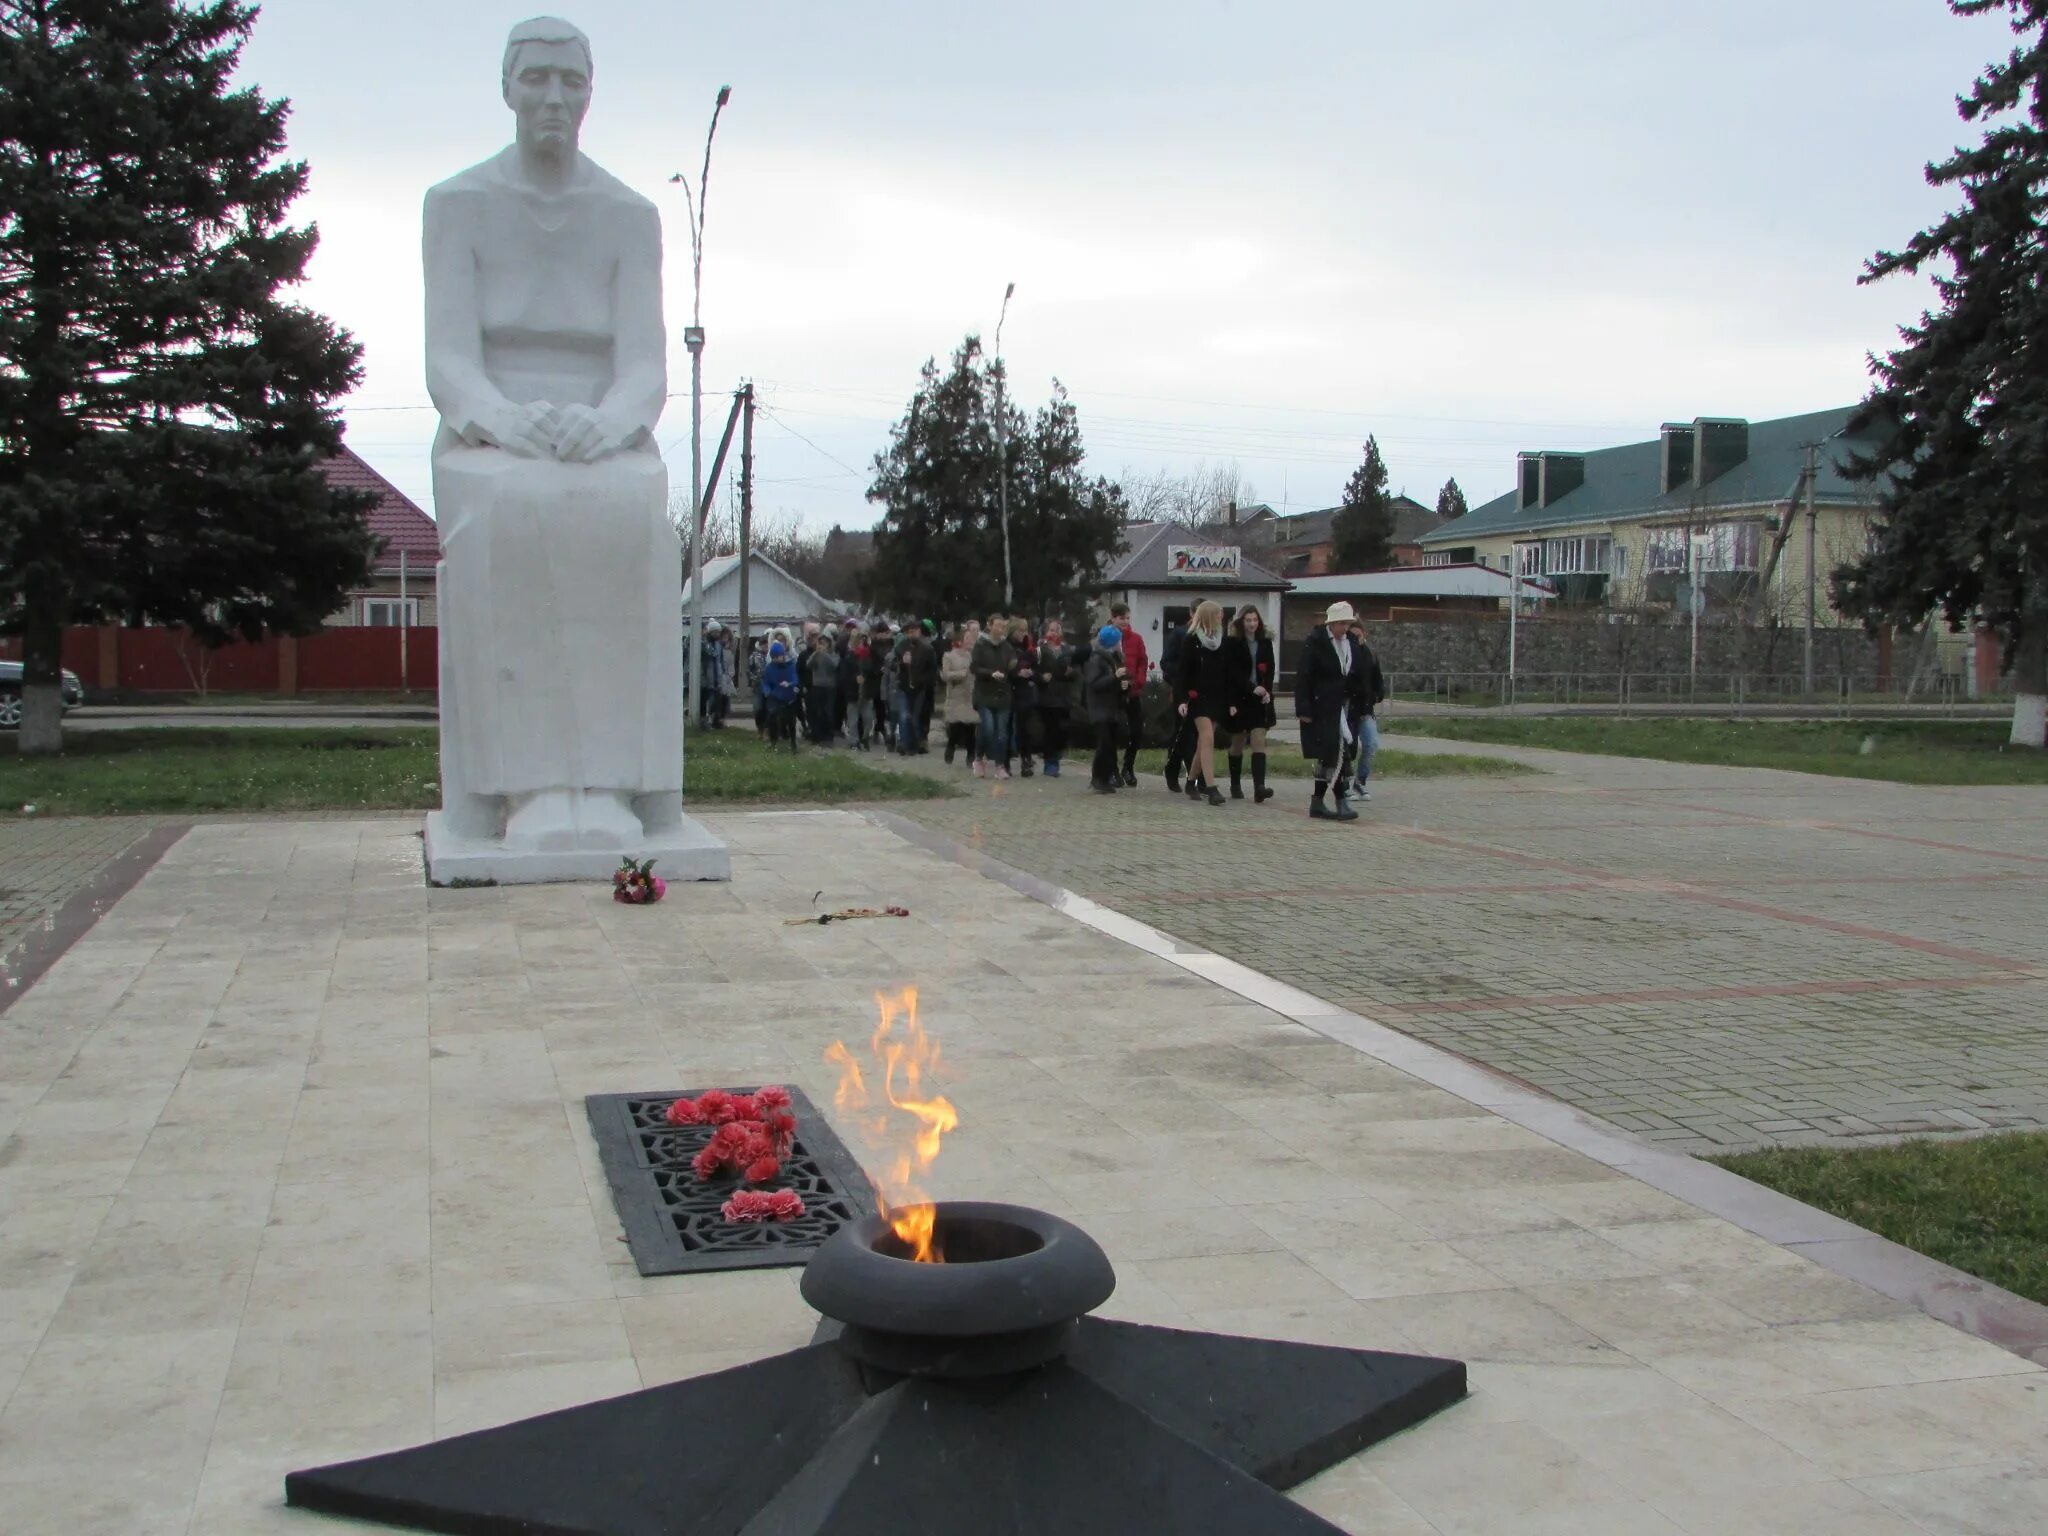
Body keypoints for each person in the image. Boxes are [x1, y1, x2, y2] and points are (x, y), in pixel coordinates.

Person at [1295, 601, 1370, 822]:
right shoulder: (1316, 643)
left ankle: (1317, 801)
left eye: (1347, 624)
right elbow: (1304, 676)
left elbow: (1361, 674)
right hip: (1323, 706)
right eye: (1341, 624)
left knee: (1336, 754)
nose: (1345, 629)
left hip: (1345, 707)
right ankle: (1340, 801)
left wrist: (1364, 703)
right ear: (1332, 623)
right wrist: (1303, 707)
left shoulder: (1352, 643)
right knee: (1333, 753)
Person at [1174, 600, 1231, 806]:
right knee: (1207, 737)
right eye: (1218, 614)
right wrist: (1182, 699)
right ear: (1209, 616)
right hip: (1198, 697)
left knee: (1203, 743)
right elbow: (1182, 673)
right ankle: (1211, 786)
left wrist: (1231, 700)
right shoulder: (1191, 640)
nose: (1221, 618)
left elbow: (1226, 673)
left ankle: (1191, 781)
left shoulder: (1222, 641)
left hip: (1217, 697)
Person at [1222, 603, 1278, 803]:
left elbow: (1270, 669)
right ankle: (1235, 784)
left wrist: (1266, 690)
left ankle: (1259, 787)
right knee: (1238, 740)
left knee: (1258, 738)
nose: (1252, 624)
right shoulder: (1232, 643)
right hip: (1239, 697)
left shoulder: (1265, 643)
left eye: (1255, 620)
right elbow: (1230, 673)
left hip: (1259, 699)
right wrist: (1248, 688)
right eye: (1248, 620)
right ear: (1241, 621)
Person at [971, 613, 1017, 779]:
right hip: (985, 694)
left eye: (1003, 626)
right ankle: (978, 759)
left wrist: (1015, 665)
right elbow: (974, 667)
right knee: (988, 728)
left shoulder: (1006, 646)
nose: (1001, 629)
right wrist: (991, 673)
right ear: (989, 626)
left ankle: (1000, 766)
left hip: (1003, 695)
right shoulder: (981, 645)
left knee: (1002, 732)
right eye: (997, 625)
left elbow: (1012, 660)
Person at [1347, 618, 1389, 800]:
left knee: (1371, 744)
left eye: (1359, 635)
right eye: (1352, 636)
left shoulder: (1370, 655)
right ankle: (1344, 784)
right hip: (1350, 709)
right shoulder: (1346, 654)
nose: (1356, 639)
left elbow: (1377, 681)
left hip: (1366, 710)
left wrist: (1376, 696)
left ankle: (1360, 782)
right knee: (1349, 748)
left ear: (1364, 635)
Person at [1110, 602, 1148, 788]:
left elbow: (1142, 661)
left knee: (1137, 731)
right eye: (1121, 618)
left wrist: (1139, 681)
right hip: (1114, 694)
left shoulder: (1136, 639)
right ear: (1113, 618)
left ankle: (1128, 767)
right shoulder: (1107, 639)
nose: (1124, 621)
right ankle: (1112, 770)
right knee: (1115, 731)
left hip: (1133, 691)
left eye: (1127, 618)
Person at [1034, 619, 1076, 778]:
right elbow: (1033, 670)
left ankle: (1056, 756)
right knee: (1050, 730)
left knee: (1063, 730)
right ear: (1046, 632)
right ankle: (1050, 763)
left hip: (1064, 696)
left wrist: (1071, 673)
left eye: (1057, 630)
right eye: (1051, 630)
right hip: (1047, 696)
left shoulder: (1067, 650)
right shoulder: (1040, 649)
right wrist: (1041, 677)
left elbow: (1076, 672)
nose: (1054, 633)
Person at [1159, 617, 1197, 791]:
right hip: (1182, 691)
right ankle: (1177, 771)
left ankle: (1197, 777)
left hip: (1203, 693)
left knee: (1198, 736)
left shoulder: (1212, 637)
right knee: (1183, 734)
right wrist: (1182, 677)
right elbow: (1166, 662)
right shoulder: (1179, 634)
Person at [894, 619, 938, 755]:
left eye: (915, 631)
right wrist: (902, 662)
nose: (912, 634)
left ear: (919, 631)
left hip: (920, 689)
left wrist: (923, 682)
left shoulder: (927, 649)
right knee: (904, 716)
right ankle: (905, 744)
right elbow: (892, 665)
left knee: (915, 717)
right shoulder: (901, 646)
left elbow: (932, 671)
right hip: (904, 687)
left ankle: (916, 742)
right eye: (909, 632)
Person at [940, 621, 979, 764]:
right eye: (968, 638)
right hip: (956, 696)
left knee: (971, 727)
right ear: (960, 640)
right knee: (956, 727)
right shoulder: (949, 656)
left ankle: (971, 755)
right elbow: (945, 675)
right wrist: (960, 674)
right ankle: (951, 747)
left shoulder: (972, 656)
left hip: (970, 695)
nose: (971, 641)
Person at [1008, 618, 1041, 776]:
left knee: (1024, 727)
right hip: (1010, 690)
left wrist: (1031, 674)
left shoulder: (1029, 649)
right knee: (1008, 726)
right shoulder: (1007, 647)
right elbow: (1004, 668)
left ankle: (1026, 759)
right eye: (1019, 630)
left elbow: (1037, 668)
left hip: (1025, 692)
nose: (1023, 634)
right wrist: (1017, 673)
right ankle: (1005, 759)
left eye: (1024, 630)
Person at [759, 633, 800, 751]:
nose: (777, 659)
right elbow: (766, 682)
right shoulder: (770, 668)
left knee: (790, 721)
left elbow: (795, 679)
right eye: (775, 657)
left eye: (779, 656)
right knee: (772, 717)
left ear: (783, 655)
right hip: (775, 696)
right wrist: (767, 691)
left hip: (789, 697)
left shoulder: (791, 665)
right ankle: (773, 742)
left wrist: (789, 684)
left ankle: (793, 742)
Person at [805, 633, 840, 746]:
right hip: (817, 686)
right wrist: (816, 653)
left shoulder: (834, 655)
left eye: (825, 643)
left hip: (829, 687)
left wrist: (824, 653)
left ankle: (829, 737)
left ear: (829, 644)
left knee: (828, 712)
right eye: (821, 642)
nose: (822, 645)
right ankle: (817, 736)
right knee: (817, 712)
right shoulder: (816, 654)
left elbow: (833, 665)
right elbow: (808, 665)